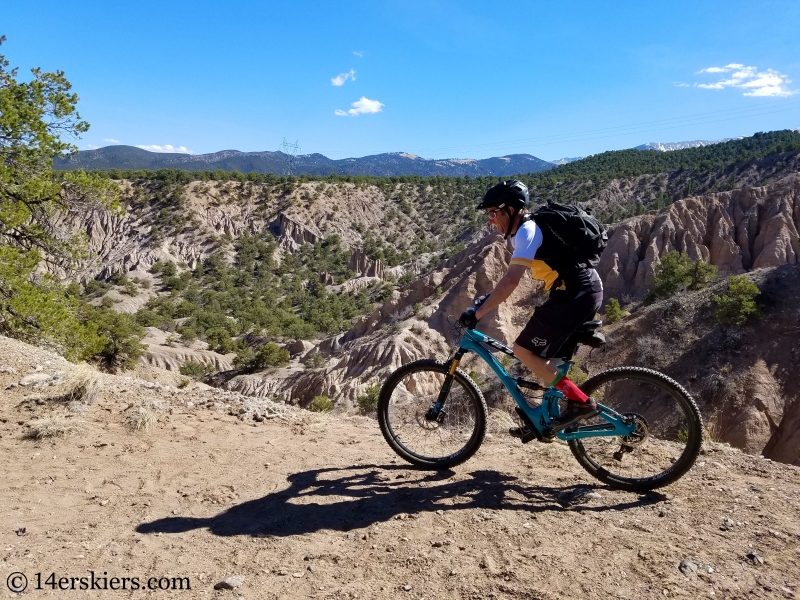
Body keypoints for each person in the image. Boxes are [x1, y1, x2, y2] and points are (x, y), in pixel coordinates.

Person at [466, 180, 604, 436]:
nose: (490, 220)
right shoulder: (528, 230)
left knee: (522, 350)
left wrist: (479, 312)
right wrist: (486, 300)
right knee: (545, 362)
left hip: (576, 293)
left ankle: (581, 403)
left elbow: (511, 281)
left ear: (510, 210)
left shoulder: (528, 231)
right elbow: (509, 283)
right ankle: (545, 420)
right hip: (578, 291)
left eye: (493, 213)